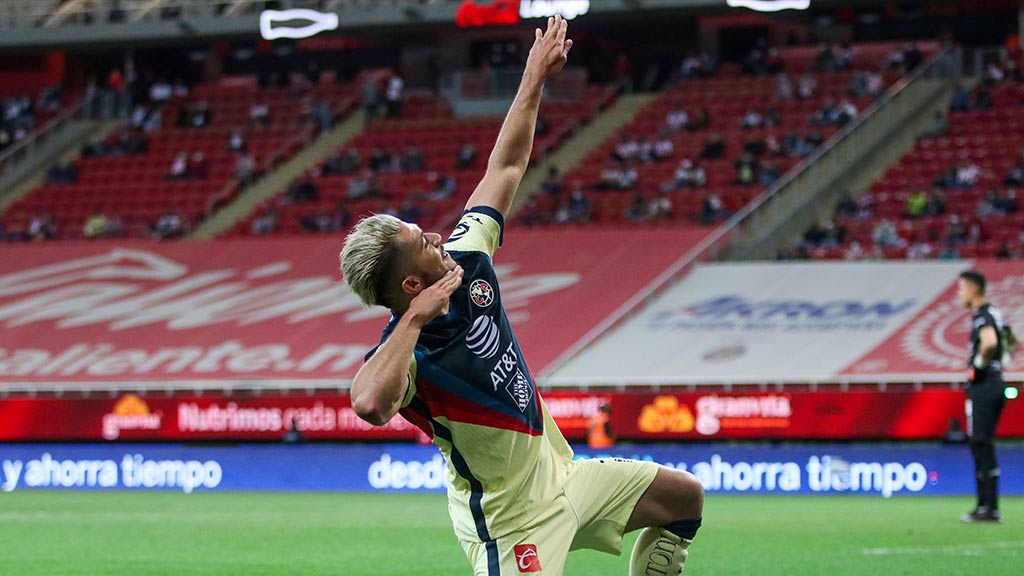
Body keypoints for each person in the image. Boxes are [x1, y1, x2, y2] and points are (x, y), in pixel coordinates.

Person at [339, 16, 702, 576]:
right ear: (410, 286)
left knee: (683, 499)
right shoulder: (409, 351)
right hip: (511, 525)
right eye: (421, 243)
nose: (436, 235)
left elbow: (505, 166)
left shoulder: (467, 257)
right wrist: (412, 323)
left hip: (569, 480)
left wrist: (534, 76)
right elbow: (368, 403)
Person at [956, 270, 1019, 523]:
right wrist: (1002, 362)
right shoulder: (994, 313)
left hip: (984, 386)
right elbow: (1010, 342)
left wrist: (977, 368)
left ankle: (987, 507)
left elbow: (990, 342)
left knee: (979, 443)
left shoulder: (983, 315)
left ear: (974, 290)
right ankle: (988, 506)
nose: (959, 294)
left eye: (961, 288)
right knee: (984, 443)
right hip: (996, 383)